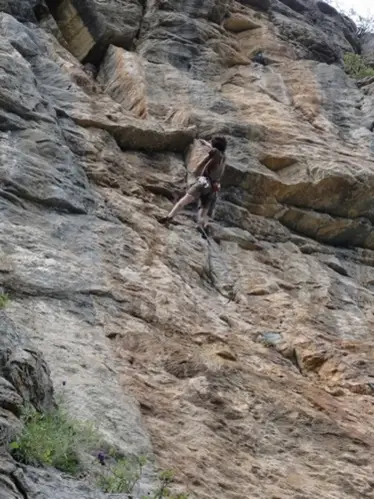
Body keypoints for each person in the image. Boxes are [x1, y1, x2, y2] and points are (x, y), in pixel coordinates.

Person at [158, 136, 227, 233]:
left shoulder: (216, 153)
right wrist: (206, 143)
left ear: (215, 145)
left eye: (211, 142)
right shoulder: (224, 157)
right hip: (212, 188)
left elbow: (212, 149)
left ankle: (169, 217)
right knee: (203, 211)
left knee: (184, 201)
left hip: (203, 182)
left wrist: (204, 143)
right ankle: (201, 226)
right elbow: (213, 148)